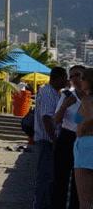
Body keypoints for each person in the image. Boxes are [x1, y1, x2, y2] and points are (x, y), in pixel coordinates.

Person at [33, 66, 68, 209]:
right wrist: (54, 140)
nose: (66, 81)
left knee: (48, 176)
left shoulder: (55, 93)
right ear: (58, 78)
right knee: (45, 176)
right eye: (65, 78)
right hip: (47, 141)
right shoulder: (48, 92)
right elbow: (47, 118)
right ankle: (40, 205)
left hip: (48, 140)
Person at [52, 65, 85, 209]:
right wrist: (65, 105)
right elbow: (56, 120)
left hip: (85, 140)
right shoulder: (66, 95)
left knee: (81, 181)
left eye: (77, 75)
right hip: (67, 138)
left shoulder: (90, 97)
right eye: (71, 76)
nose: (74, 79)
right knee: (60, 179)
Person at [74, 68, 93, 208]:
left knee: (85, 200)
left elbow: (90, 116)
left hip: (86, 145)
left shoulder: (88, 99)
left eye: (83, 78)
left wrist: (82, 128)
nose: (80, 81)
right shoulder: (84, 99)